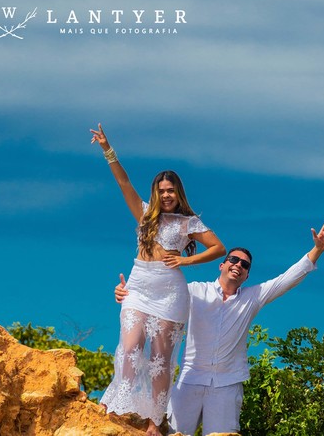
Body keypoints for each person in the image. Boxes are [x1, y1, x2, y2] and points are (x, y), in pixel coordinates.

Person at [115, 220, 324, 435]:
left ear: (247, 275)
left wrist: (317, 250)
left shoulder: (253, 297)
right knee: (174, 434)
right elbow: (159, 293)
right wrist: (128, 292)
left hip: (227, 386)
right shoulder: (194, 291)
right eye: (234, 260)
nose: (238, 265)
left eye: (245, 265)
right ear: (222, 265)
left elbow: (287, 279)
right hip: (190, 380)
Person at [91, 124, 226, 436]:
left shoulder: (188, 222)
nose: (166, 195)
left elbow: (219, 248)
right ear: (156, 192)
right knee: (129, 349)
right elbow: (123, 181)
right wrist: (108, 149)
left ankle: (154, 421)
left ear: (178, 193)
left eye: (171, 190)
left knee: (160, 361)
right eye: (162, 190)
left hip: (169, 292)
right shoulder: (144, 214)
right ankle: (116, 406)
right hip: (138, 286)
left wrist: (185, 260)